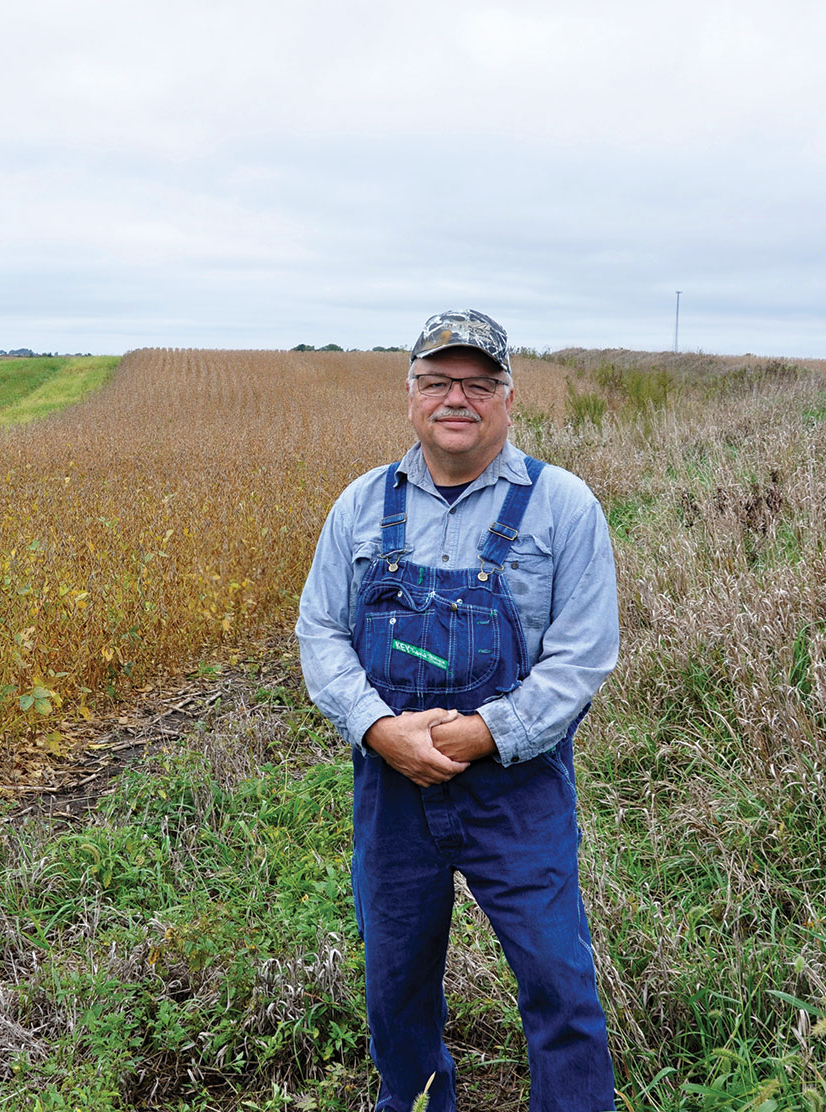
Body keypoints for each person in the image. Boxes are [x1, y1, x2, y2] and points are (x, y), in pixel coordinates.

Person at [296, 309, 619, 1112]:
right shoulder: (361, 506)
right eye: (437, 381)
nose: (456, 399)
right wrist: (377, 728)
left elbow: (581, 655)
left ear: (509, 399)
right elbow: (320, 634)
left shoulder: (563, 507)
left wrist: (484, 734)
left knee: (558, 980)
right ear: (409, 395)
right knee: (395, 983)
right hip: (393, 790)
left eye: (478, 384)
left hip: (518, 788)